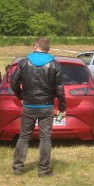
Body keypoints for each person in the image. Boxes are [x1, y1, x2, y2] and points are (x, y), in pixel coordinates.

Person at [10, 36, 67, 176]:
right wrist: (62, 107)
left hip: (29, 105)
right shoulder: (54, 64)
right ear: (48, 49)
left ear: (35, 46)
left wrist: (21, 96)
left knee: (23, 137)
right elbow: (60, 89)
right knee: (45, 138)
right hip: (46, 106)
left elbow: (13, 82)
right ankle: (44, 170)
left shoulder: (23, 63)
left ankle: (18, 168)